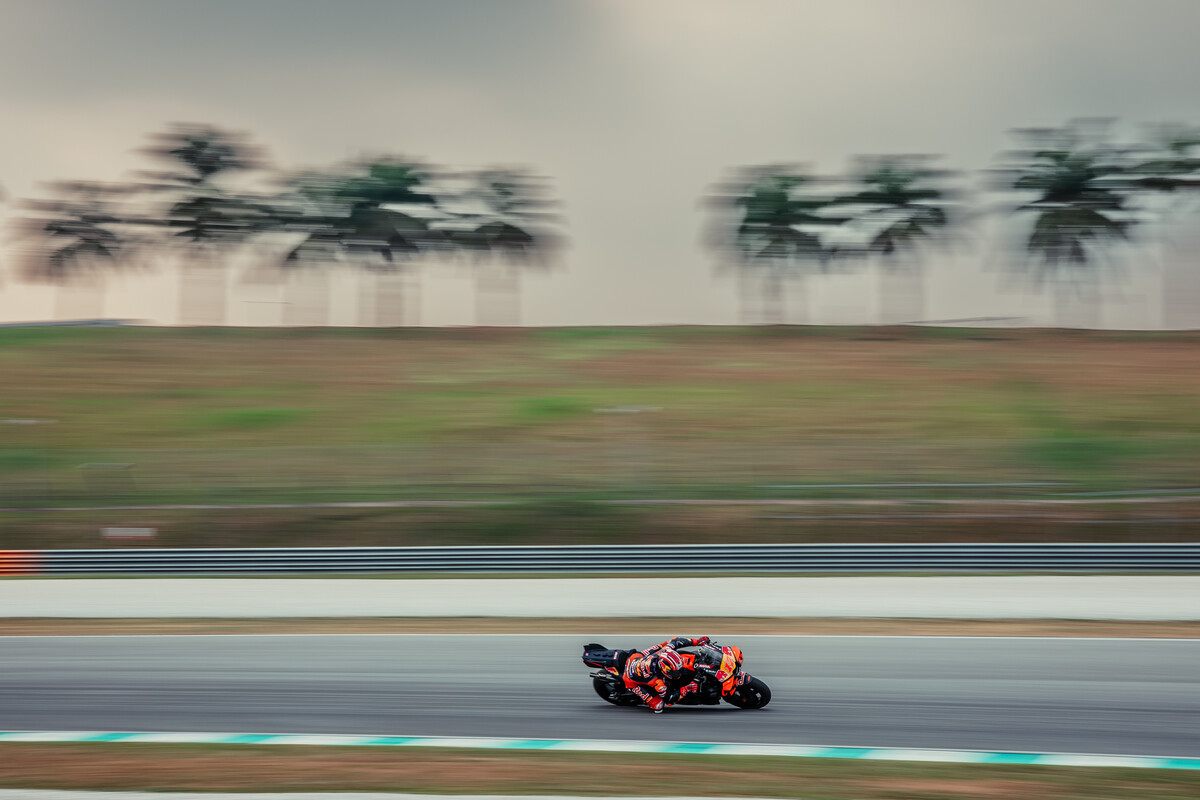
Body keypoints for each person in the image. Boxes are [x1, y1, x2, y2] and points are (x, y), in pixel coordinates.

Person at [622, 635, 711, 713]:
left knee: (666, 643)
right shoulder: (658, 683)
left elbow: (676, 640)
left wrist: (698, 642)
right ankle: (645, 697)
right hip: (629, 678)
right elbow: (670, 700)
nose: (678, 673)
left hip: (636, 657)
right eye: (675, 672)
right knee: (659, 707)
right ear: (664, 670)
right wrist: (687, 688)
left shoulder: (666, 650)